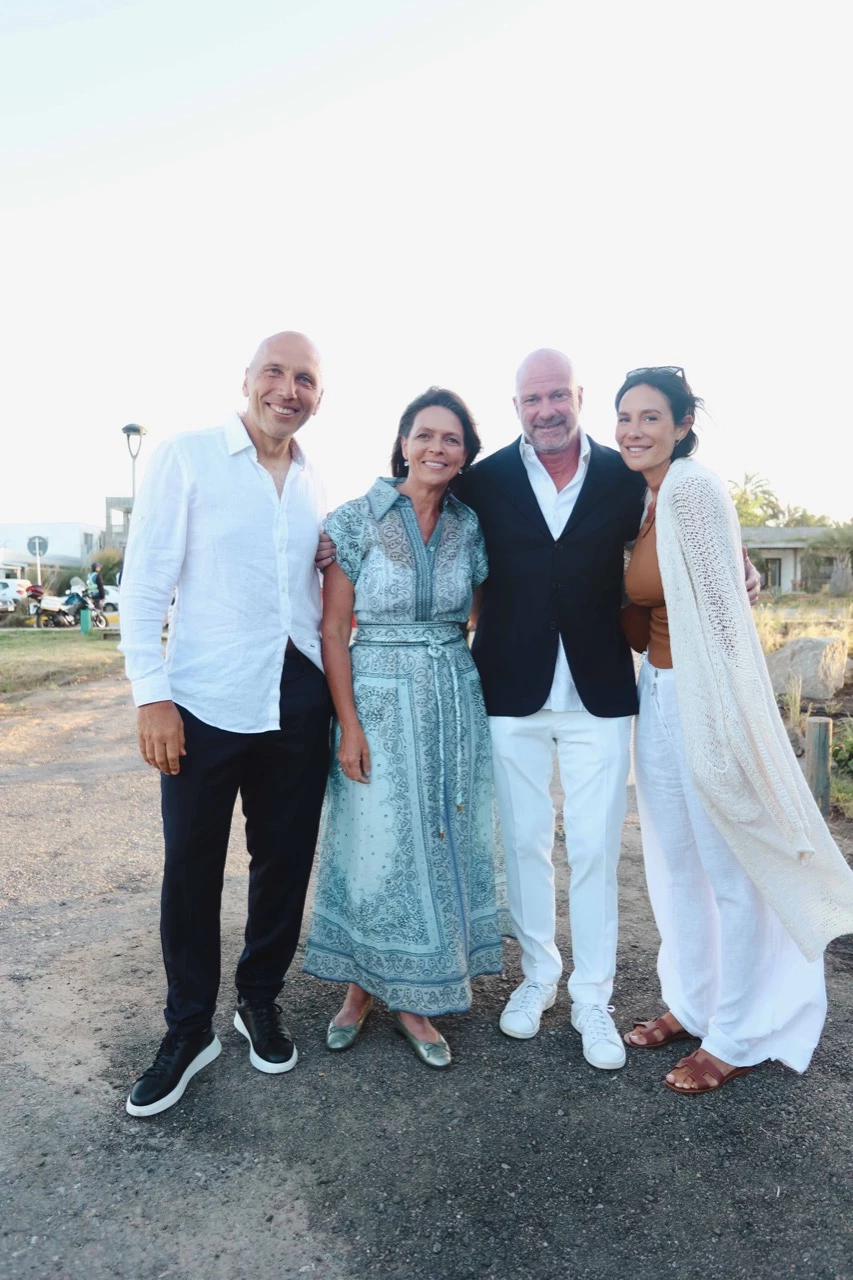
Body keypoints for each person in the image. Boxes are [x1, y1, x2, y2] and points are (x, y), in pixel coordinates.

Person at [616, 366, 853, 1093]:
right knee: (673, 861)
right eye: (624, 417)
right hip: (654, 692)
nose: (632, 430)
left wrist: (727, 725)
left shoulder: (692, 489)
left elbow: (723, 617)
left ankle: (739, 1033)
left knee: (728, 867)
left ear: (683, 424)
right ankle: (691, 1002)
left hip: (703, 697)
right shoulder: (641, 497)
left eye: (650, 417)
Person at [120, 331, 333, 1116]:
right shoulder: (187, 457)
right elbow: (145, 583)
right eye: (274, 373)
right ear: (246, 380)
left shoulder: (313, 481)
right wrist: (152, 694)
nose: (289, 389)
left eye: (305, 378)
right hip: (204, 701)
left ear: (318, 394)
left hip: (296, 699)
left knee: (282, 861)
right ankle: (187, 1030)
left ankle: (258, 1001)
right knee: (192, 867)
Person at [303, 388, 507, 1069]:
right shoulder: (355, 521)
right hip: (377, 699)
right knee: (374, 844)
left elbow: (480, 616)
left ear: (464, 455)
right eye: (425, 435)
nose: (436, 448)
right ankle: (360, 989)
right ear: (402, 441)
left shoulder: (469, 527)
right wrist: (348, 727)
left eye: (451, 440)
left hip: (451, 697)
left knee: (438, 838)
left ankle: (415, 993)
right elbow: (334, 629)